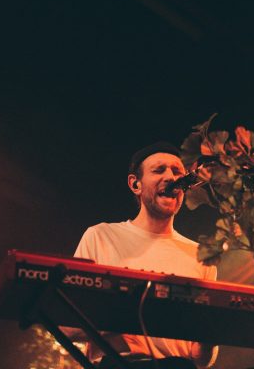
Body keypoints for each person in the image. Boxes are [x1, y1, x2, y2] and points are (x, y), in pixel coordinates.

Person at [74, 142, 218, 369]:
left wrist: (211, 334)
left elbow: (200, 358)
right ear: (135, 184)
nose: (171, 177)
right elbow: (69, 326)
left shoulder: (200, 254)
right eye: (159, 170)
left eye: (177, 171)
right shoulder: (101, 236)